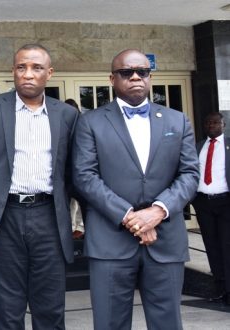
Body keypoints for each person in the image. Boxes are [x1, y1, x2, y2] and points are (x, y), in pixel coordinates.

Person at [72, 49, 199, 329]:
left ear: (150, 77)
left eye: (142, 72)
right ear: (112, 79)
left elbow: (190, 174)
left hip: (165, 241)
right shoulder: (90, 121)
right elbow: (84, 176)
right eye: (126, 73)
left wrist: (157, 211)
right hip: (110, 241)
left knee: (168, 322)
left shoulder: (177, 121)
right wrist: (131, 217)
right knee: (109, 323)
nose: (135, 78)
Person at [0, 44, 78, 329]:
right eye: (21, 67)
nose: (28, 74)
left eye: (36, 68)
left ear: (49, 73)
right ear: (13, 71)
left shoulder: (66, 115)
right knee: (7, 308)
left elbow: (70, 170)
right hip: (4, 216)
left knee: (50, 307)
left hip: (48, 217)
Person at [191, 112, 230, 305]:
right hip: (203, 203)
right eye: (207, 123)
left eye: (215, 122)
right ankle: (220, 290)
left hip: (226, 204)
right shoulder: (198, 147)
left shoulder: (228, 145)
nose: (211, 125)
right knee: (212, 248)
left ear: (223, 124)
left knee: (227, 246)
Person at [63, 98, 86, 239]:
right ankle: (74, 227)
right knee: (72, 202)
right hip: (68, 171)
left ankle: (78, 227)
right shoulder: (63, 125)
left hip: (77, 170)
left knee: (77, 202)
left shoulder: (82, 125)